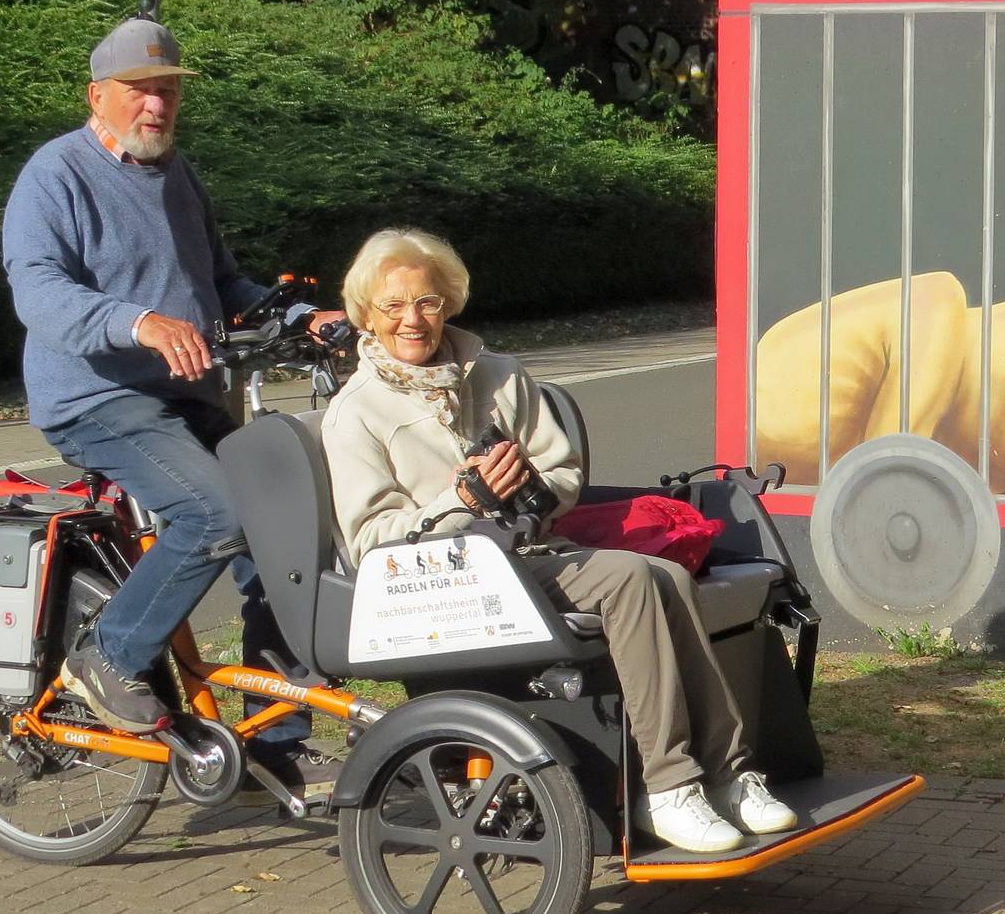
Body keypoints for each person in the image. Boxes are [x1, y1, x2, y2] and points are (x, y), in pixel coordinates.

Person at [320, 228, 796, 853]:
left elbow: (565, 472)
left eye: (428, 302)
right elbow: (370, 543)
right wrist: (461, 502)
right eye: (393, 307)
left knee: (670, 576)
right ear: (366, 316)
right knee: (629, 578)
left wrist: (530, 489)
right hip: (449, 578)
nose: (413, 320)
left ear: (449, 302)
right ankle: (671, 786)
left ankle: (728, 774)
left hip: (532, 549)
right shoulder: (355, 411)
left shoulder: (499, 375)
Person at [0, 16, 346, 795]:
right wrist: (138, 322)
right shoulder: (55, 175)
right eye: (139, 91)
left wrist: (299, 320)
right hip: (97, 398)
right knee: (216, 514)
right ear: (99, 96)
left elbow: (221, 286)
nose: (156, 106)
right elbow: (40, 291)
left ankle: (278, 740)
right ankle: (108, 657)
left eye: (167, 91)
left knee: (287, 537)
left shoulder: (177, 176)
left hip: (184, 397)